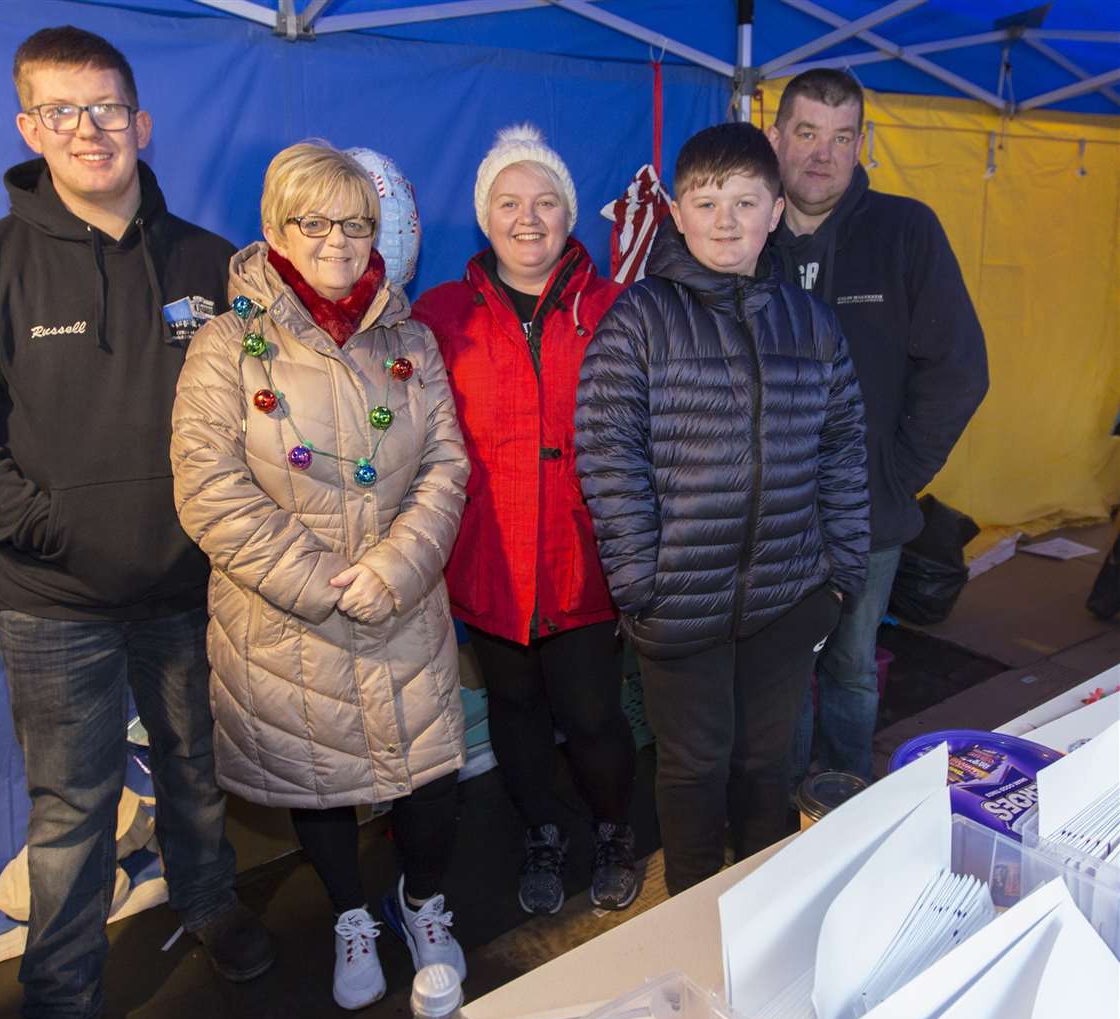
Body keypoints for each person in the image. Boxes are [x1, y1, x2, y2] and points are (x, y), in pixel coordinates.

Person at [0, 26, 271, 1019]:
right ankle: (59, 1004)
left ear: (142, 122)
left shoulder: (211, 264)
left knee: (200, 772)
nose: (90, 130)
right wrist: (48, 525)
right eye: (62, 111)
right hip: (53, 603)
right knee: (71, 811)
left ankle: (208, 905)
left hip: (195, 592)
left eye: (107, 108)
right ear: (29, 128)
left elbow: (264, 410)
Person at [171, 142, 470, 1011]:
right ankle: (351, 916)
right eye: (316, 222)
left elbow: (446, 466)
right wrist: (320, 582)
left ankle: (421, 905)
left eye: (357, 224)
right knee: (318, 782)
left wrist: (395, 568)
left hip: (403, 605)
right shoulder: (228, 347)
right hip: (284, 622)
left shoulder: (410, 339)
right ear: (275, 229)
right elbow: (207, 485)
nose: (339, 241)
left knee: (431, 781)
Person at [576, 123, 870, 895]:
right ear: (677, 212)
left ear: (777, 211)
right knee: (694, 769)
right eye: (708, 203)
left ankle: (764, 906)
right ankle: (695, 919)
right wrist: (643, 582)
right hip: (679, 608)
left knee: (766, 766)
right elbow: (607, 457)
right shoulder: (638, 321)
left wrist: (838, 577)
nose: (727, 221)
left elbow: (843, 452)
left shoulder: (812, 326)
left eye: (746, 202)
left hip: (788, 597)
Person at [412, 125, 639, 916]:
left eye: (546, 202)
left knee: (592, 715)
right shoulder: (440, 315)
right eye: (509, 203)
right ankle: (541, 829)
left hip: (585, 559)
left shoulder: (616, 309)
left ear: (570, 215)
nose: (528, 218)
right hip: (489, 561)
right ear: (484, 216)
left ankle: (614, 827)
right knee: (513, 711)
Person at [768, 69, 988, 784]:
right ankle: (781, 816)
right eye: (806, 134)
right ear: (776, 138)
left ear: (862, 144)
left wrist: (897, 476)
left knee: (851, 669)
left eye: (841, 138)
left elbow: (959, 369)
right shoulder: (744, 234)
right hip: (769, 519)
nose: (822, 155)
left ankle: (843, 798)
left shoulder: (905, 230)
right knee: (778, 676)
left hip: (869, 516)